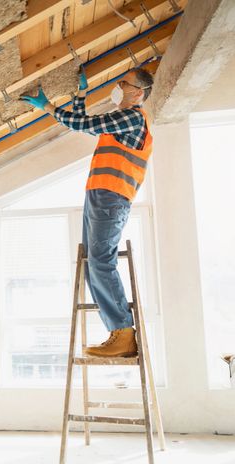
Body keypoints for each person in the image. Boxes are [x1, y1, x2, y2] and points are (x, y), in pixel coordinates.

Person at [20, 66, 154, 357]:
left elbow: (84, 125)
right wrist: (81, 94)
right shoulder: (121, 121)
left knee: (101, 264)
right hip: (100, 195)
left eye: (123, 82)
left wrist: (48, 107)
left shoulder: (132, 117)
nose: (118, 86)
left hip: (112, 197)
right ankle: (116, 332)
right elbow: (81, 121)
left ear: (137, 92)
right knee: (95, 265)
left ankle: (124, 334)